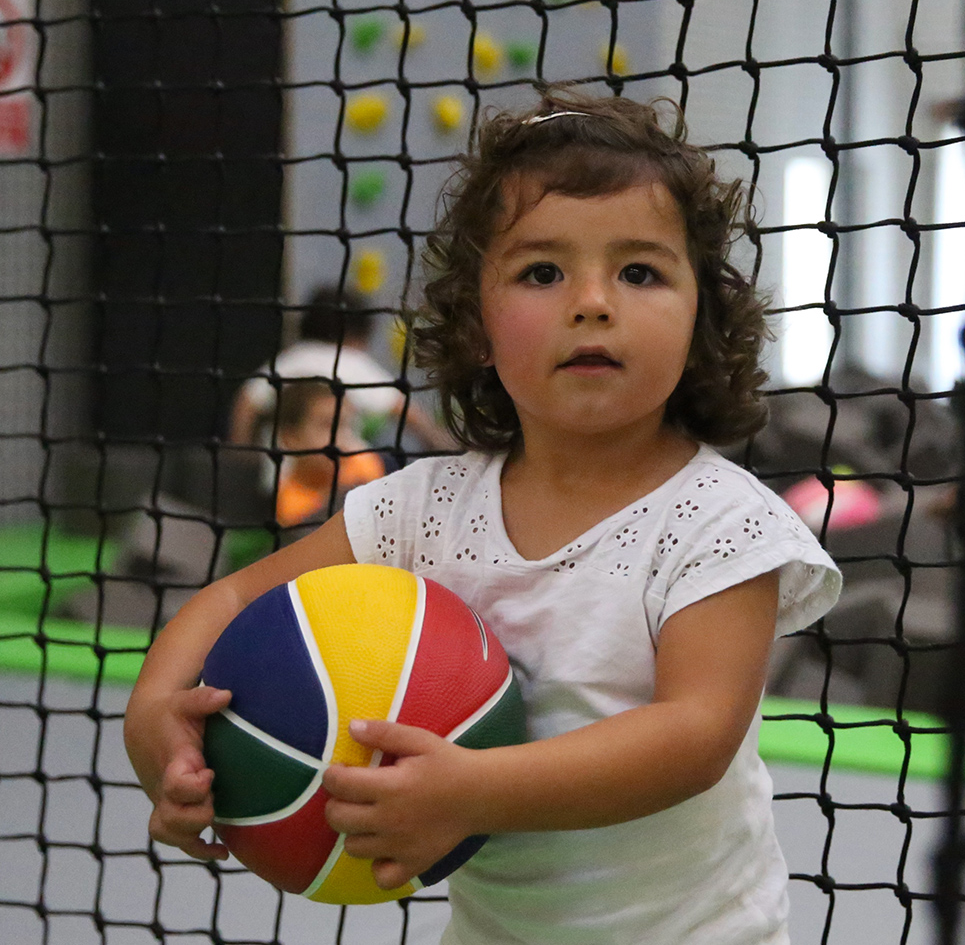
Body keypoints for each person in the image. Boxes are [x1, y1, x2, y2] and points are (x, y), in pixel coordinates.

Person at [125, 88, 842, 945]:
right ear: (475, 325)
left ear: (702, 318)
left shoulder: (720, 522)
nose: (592, 301)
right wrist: (154, 717)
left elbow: (694, 735)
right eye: (542, 272)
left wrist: (473, 790)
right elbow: (235, 598)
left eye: (639, 272)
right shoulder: (424, 509)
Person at [229, 286, 455, 454]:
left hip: (279, 474)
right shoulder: (351, 360)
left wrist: (242, 456)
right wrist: (444, 447)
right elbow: (407, 412)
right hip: (343, 474)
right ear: (354, 334)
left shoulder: (288, 359)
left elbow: (245, 403)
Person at [270, 378, 387, 536]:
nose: (338, 439)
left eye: (344, 425)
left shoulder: (364, 464)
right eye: (326, 425)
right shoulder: (289, 505)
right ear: (291, 438)